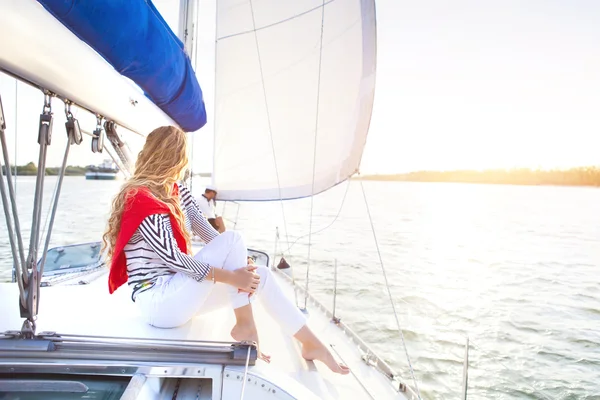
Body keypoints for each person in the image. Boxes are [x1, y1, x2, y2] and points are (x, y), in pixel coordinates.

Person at [102, 126, 348, 374]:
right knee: (233, 240)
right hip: (158, 302)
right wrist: (232, 275)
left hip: (179, 294)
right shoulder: (139, 197)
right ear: (176, 158)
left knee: (259, 275)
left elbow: (205, 230)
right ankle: (245, 326)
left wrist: (239, 260)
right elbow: (174, 259)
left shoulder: (177, 190)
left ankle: (310, 343)